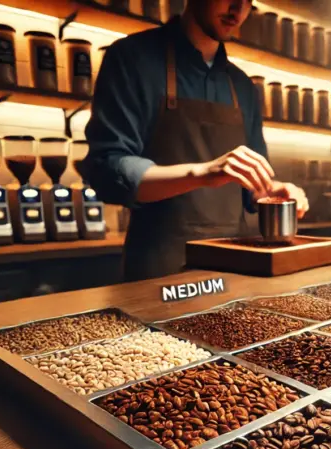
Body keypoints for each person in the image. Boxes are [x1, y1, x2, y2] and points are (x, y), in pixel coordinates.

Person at [82, 0, 309, 280]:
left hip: (234, 266)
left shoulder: (242, 87)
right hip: (161, 271)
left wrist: (274, 191)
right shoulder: (132, 58)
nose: (237, 9)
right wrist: (201, 172)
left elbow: (251, 189)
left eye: (248, 2)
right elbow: (108, 169)